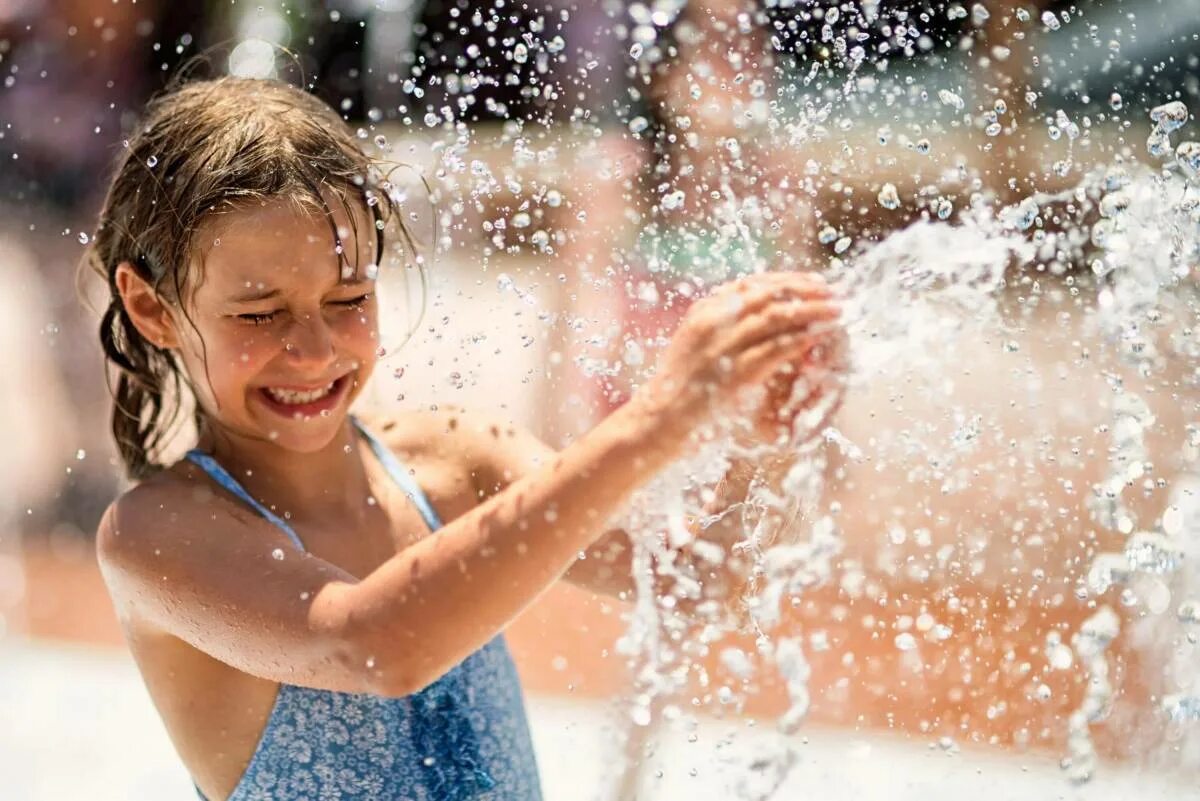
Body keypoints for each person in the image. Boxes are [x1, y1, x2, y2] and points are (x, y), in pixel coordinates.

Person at [87, 76, 844, 801]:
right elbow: (373, 645)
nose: (314, 349)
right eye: (259, 314)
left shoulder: (457, 460)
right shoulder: (159, 534)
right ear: (152, 309)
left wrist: (765, 441)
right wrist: (661, 418)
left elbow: (699, 584)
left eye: (348, 298)